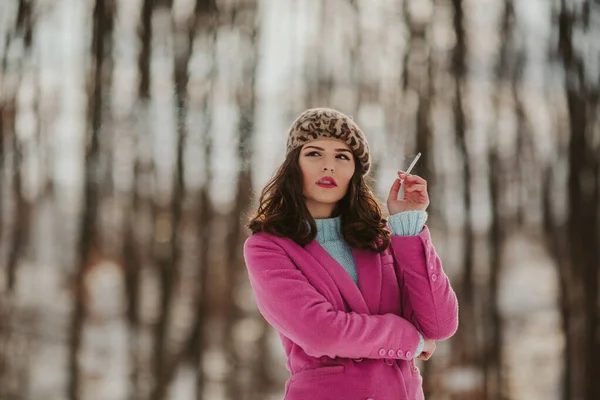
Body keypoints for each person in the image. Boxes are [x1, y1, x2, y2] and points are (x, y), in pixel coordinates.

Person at [243, 107, 459, 400]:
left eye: (342, 156)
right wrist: (409, 339)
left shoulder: (377, 239)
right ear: (294, 165)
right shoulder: (268, 247)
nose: (328, 166)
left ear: (355, 172)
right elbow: (321, 332)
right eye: (314, 153)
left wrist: (408, 225)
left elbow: (439, 324)